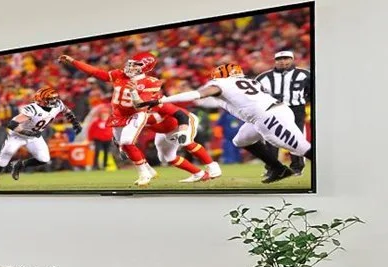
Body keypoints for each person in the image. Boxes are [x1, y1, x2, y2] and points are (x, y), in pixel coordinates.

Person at [163, 62, 311, 183]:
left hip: (267, 115)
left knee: (299, 147)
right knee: (241, 140)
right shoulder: (249, 82)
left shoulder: (222, 84)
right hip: (271, 111)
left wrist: (163, 100)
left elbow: (198, 94)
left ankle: (328, 165)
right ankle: (278, 169)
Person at [59, 50, 164, 187]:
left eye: (135, 65)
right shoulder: (119, 74)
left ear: (145, 67)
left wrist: (133, 92)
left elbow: (139, 106)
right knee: (124, 146)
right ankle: (149, 169)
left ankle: (144, 174)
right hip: (118, 115)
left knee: (127, 142)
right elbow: (96, 72)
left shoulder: (151, 83)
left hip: (136, 114)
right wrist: (74, 62)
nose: (130, 67)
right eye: (130, 64)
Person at [0, 86, 69, 181]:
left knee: (44, 158)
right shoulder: (31, 108)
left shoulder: (53, 107)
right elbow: (14, 123)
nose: (52, 101)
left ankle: (19, 165)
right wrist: (24, 131)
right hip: (19, 133)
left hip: (35, 134)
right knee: (7, 153)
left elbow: (56, 112)